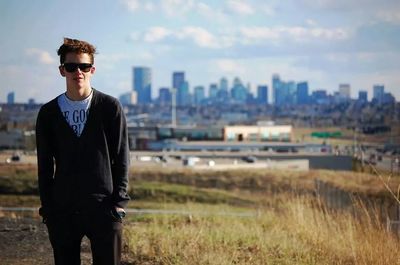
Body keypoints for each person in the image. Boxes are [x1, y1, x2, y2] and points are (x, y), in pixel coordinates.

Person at [36, 37, 130, 265]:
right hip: (63, 208)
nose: (78, 72)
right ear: (62, 70)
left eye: (84, 66)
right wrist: (48, 210)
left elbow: (122, 157)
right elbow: (44, 165)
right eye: (71, 67)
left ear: (92, 69)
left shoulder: (109, 107)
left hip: (104, 206)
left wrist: (119, 203)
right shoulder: (48, 113)